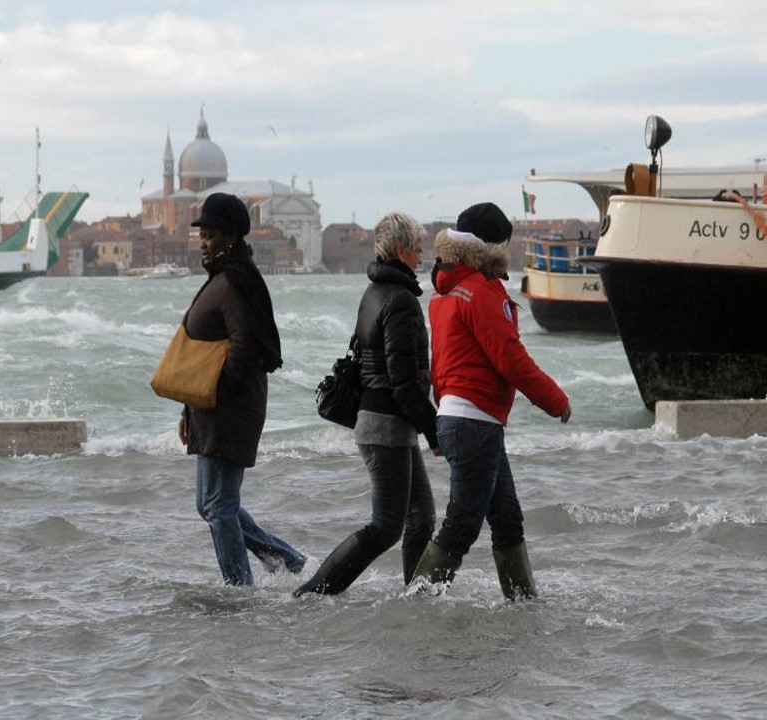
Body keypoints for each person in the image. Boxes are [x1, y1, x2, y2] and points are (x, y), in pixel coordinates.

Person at [411, 202, 571, 600]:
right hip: (474, 422)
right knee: (463, 525)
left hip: (460, 417)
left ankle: (522, 604)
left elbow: (443, 365)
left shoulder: (446, 292)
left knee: (507, 518)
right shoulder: (482, 292)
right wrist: (556, 401)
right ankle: (416, 604)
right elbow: (510, 358)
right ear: (493, 247)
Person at [294, 212, 440, 597]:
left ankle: (417, 594)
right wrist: (434, 430)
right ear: (402, 250)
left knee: (422, 518)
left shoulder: (375, 293)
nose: (422, 253)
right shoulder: (401, 300)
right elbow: (405, 382)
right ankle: (313, 592)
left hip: (386, 422)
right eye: (418, 246)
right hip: (386, 425)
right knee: (387, 527)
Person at [179, 192, 305, 586]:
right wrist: (189, 409)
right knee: (210, 505)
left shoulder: (237, 280)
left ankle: (240, 591)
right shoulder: (222, 275)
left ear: (231, 237)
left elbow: (245, 345)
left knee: (219, 506)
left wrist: (216, 392)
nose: (203, 240)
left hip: (230, 408)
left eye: (211, 233)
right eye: (201, 232)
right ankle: (288, 560)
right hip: (210, 407)